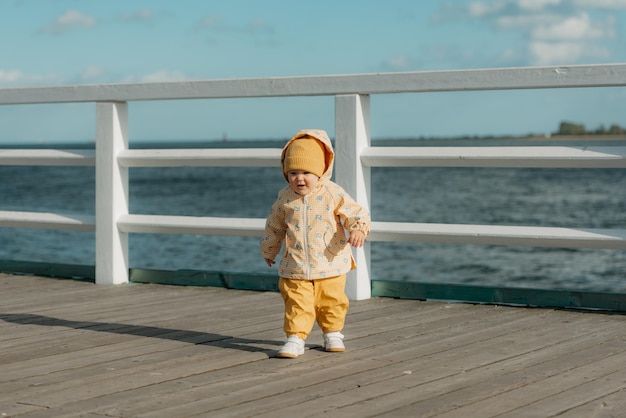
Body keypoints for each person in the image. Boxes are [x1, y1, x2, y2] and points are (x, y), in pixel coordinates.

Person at [260, 129, 370, 358]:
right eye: (293, 173)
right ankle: (295, 338)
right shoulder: (285, 198)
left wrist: (358, 228)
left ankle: (333, 332)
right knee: (296, 302)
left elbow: (355, 212)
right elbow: (274, 226)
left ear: (320, 172)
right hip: (295, 265)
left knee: (332, 301)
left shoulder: (332, 193)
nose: (299, 179)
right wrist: (269, 249)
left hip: (330, 261)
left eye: (307, 172)